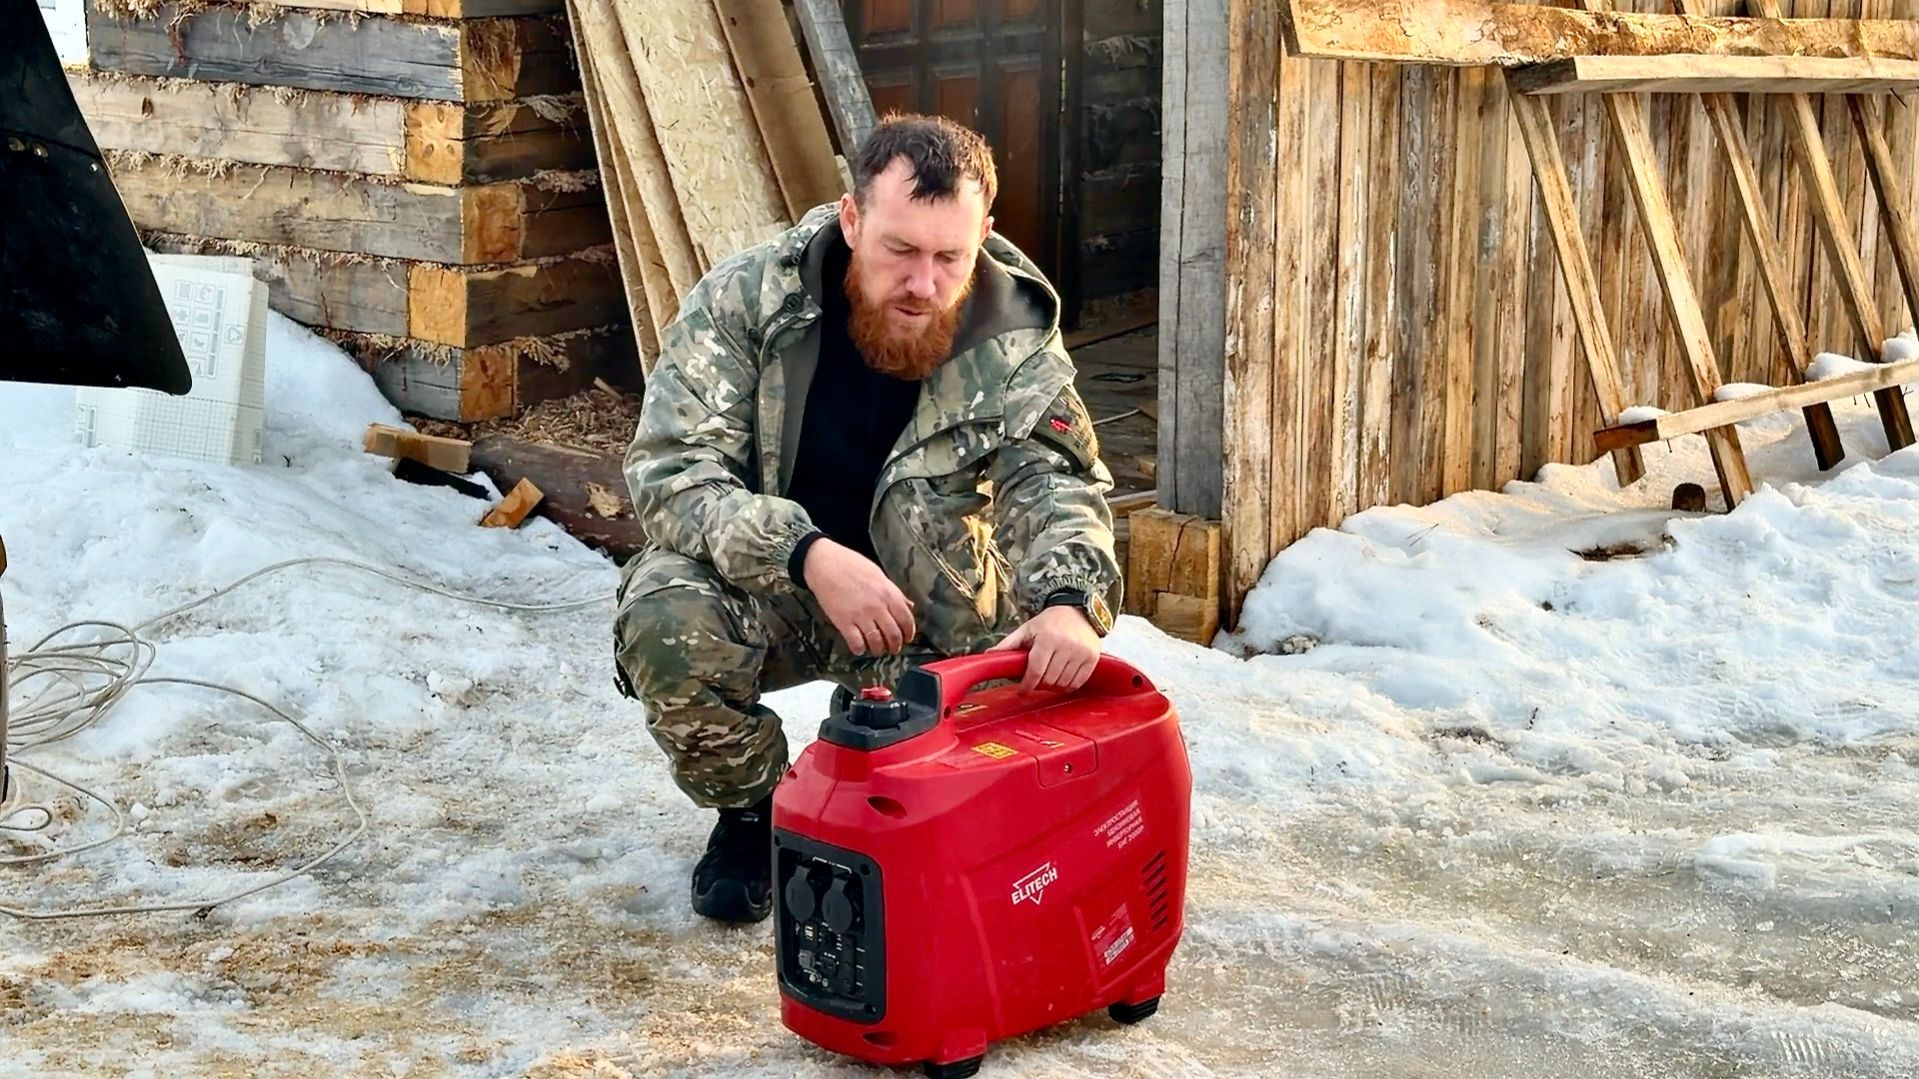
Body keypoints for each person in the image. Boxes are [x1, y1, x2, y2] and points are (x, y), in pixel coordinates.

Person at [614, 114, 1122, 924]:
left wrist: (1069, 597)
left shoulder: (1014, 339)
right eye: (898, 251)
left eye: (948, 257)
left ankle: (919, 795)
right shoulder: (748, 299)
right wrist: (804, 551)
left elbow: (1055, 482)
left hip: (931, 609)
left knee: (1019, 703)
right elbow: (673, 473)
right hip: (775, 589)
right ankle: (753, 816)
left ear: (983, 238)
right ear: (852, 220)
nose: (923, 283)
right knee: (664, 614)